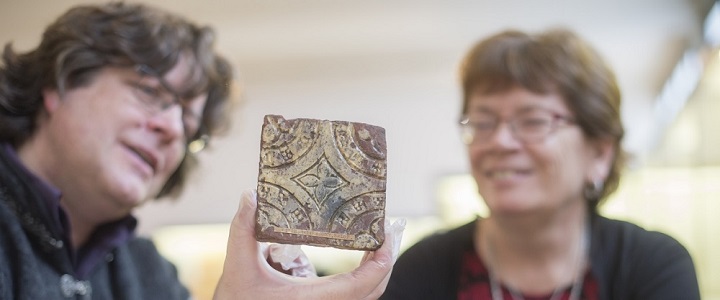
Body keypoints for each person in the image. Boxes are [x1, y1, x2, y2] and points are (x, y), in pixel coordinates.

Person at [0, 2, 404, 299]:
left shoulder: (152, 274)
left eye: (190, 128)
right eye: (149, 92)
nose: (172, 130)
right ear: (62, 81)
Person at [381, 28, 700, 300]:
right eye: (483, 122)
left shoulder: (652, 265)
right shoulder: (420, 270)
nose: (500, 141)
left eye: (533, 121)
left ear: (600, 154)